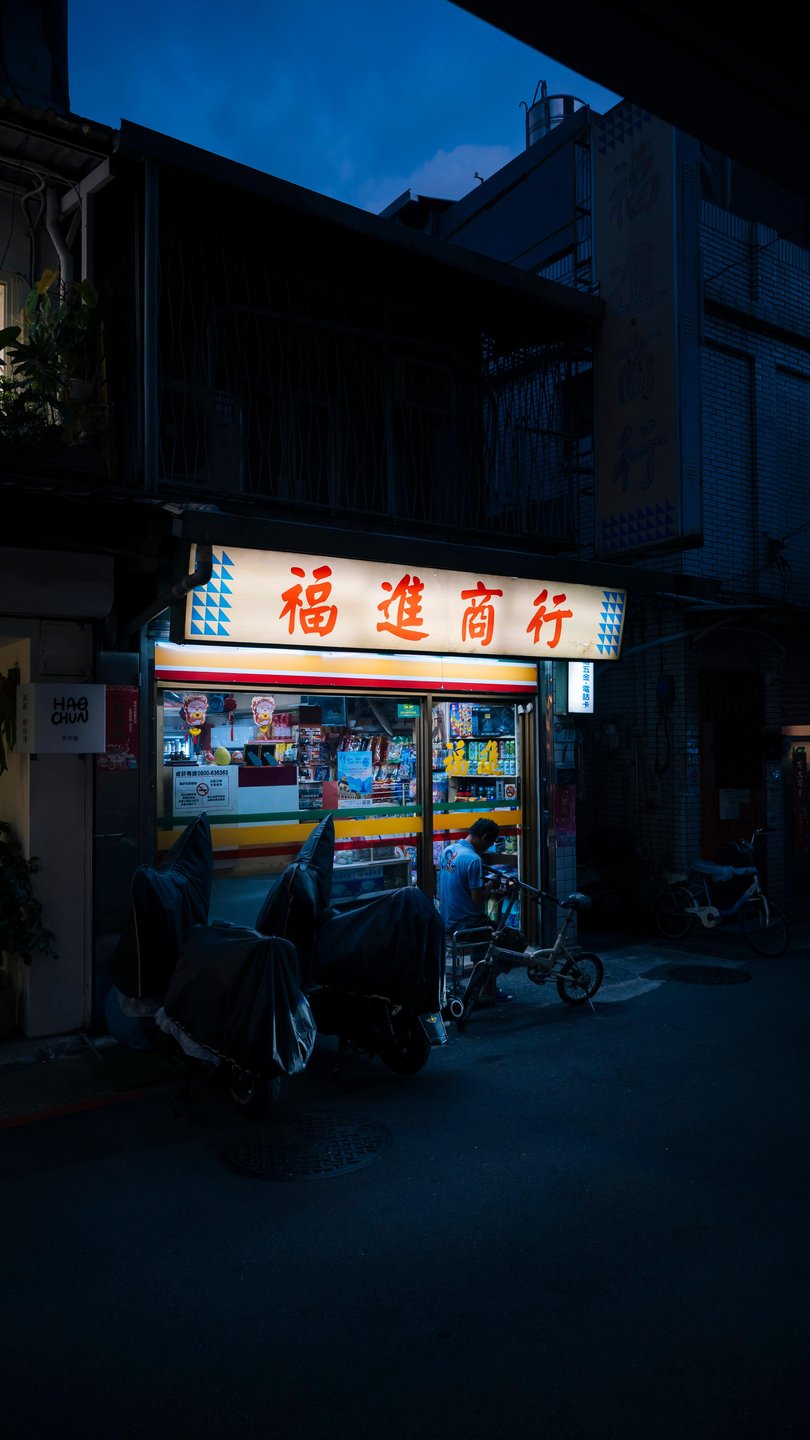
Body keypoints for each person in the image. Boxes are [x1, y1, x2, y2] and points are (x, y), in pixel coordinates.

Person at [438, 818, 510, 1002]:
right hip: (466, 923)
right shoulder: (473, 859)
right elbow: (477, 899)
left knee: (491, 932)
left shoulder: (447, 851)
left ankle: (486, 986)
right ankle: (484, 984)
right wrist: (491, 885)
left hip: (446, 920)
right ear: (484, 837)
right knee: (510, 938)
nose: (488, 847)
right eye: (490, 843)